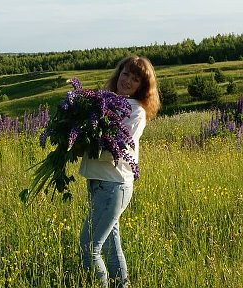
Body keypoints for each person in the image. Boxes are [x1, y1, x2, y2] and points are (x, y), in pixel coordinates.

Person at [79, 56, 160, 287]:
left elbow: (115, 150)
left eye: (135, 79)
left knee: (89, 247)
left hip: (114, 185)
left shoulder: (136, 111)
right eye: (125, 74)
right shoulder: (107, 101)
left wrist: (81, 145)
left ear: (141, 87)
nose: (127, 81)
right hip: (99, 181)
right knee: (111, 247)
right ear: (118, 73)